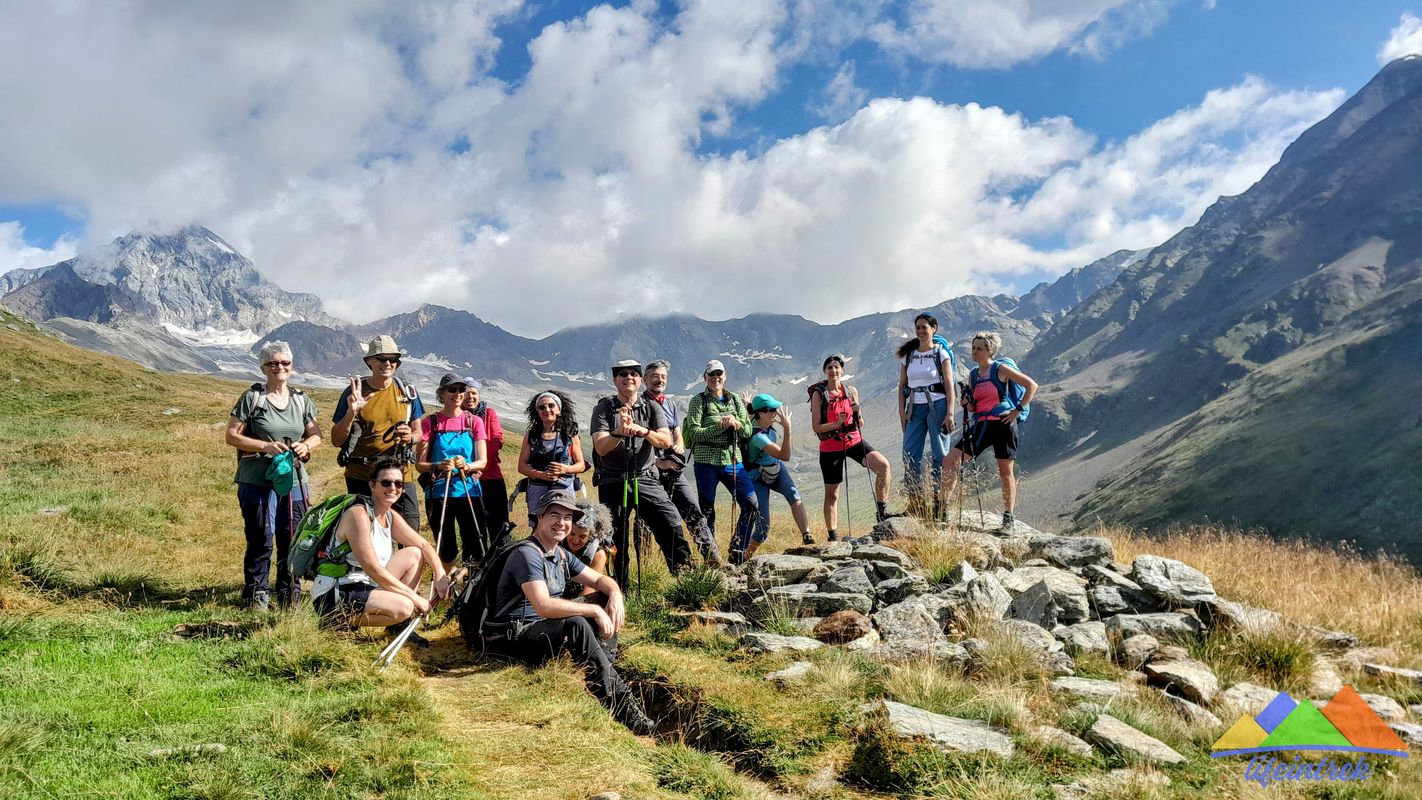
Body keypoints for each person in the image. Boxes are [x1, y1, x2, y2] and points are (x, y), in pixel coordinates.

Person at [482, 489, 656, 735]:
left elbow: (599, 580)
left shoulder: (559, 553)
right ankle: (620, 704)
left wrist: (615, 595)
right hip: (512, 637)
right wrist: (593, 610)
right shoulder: (527, 554)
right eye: (554, 515)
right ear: (539, 517)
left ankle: (607, 667)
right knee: (576, 620)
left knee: (604, 595)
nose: (562, 523)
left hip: (539, 629)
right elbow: (544, 605)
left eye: (567, 518)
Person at [225, 340, 322, 610]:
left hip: (293, 480)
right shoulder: (252, 398)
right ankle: (257, 591)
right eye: (273, 363)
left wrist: (306, 445)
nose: (279, 367)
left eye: (285, 363)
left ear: (292, 367)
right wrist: (264, 446)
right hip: (257, 479)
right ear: (263, 367)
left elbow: (316, 435)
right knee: (261, 535)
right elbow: (231, 436)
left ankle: (288, 591)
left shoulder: (301, 400)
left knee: (291, 536)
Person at [311, 458, 449, 640]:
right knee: (405, 606)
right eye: (386, 482)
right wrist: (414, 598)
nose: (393, 488)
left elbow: (423, 545)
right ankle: (336, 620)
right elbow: (373, 569)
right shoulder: (358, 515)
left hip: (365, 584)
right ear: (372, 485)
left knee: (414, 553)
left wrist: (440, 574)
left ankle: (398, 627)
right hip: (337, 589)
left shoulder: (390, 516)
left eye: (398, 483)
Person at [590, 359, 694, 586]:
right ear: (614, 379)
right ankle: (619, 589)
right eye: (622, 374)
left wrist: (641, 430)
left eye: (633, 374)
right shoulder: (604, 408)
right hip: (612, 481)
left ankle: (688, 580)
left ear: (640, 380)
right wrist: (619, 432)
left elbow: (665, 440)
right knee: (615, 536)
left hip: (645, 478)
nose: (628, 377)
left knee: (670, 522)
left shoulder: (651, 407)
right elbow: (601, 446)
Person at [941, 332, 1039, 532]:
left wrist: (1016, 411)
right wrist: (968, 404)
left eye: (980, 348)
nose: (975, 352)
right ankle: (943, 509)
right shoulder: (973, 374)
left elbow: (1032, 386)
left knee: (1005, 472)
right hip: (982, 425)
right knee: (950, 460)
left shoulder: (1000, 369)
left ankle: (1008, 517)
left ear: (990, 351)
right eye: (974, 348)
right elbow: (972, 408)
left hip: (1003, 425)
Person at [331, 335, 425, 530]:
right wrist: (351, 413)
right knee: (365, 532)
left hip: (400, 474)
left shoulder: (406, 391)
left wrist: (410, 437)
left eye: (393, 359)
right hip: (362, 474)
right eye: (382, 359)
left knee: (409, 529)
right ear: (369, 362)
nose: (388, 363)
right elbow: (336, 439)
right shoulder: (353, 392)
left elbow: (419, 432)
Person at [642, 359, 720, 566]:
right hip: (650, 471)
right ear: (645, 379)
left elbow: (677, 431)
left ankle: (712, 557)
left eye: (663, 377)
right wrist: (657, 462)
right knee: (647, 520)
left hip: (674, 469)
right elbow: (640, 441)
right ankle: (647, 564)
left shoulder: (669, 403)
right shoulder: (640, 406)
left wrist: (678, 445)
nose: (660, 380)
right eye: (655, 376)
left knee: (693, 510)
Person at [683, 360, 758, 564]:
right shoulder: (698, 401)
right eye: (711, 374)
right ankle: (711, 557)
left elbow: (748, 430)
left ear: (725, 376)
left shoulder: (734, 399)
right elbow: (694, 433)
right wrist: (721, 425)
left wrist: (736, 424)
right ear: (705, 377)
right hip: (706, 462)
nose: (716, 378)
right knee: (707, 510)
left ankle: (737, 551)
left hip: (732, 461)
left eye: (719, 374)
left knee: (751, 504)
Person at [810, 354, 892, 539]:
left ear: (842, 370)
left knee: (883, 466)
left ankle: (881, 511)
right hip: (830, 446)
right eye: (830, 368)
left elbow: (860, 423)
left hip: (853, 440)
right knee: (832, 494)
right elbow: (816, 427)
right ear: (825, 371)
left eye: (836, 367)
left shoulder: (851, 391)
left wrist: (858, 414)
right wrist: (836, 424)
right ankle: (833, 536)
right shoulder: (819, 394)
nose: (833, 371)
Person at [416, 374, 489, 568]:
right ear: (441, 394)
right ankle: (445, 589)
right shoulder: (430, 423)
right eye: (452, 390)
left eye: (460, 390)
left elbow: (482, 462)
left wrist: (467, 465)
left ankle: (471, 589)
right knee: (445, 548)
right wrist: (438, 465)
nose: (457, 394)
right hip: (439, 491)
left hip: (469, 490)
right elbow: (419, 465)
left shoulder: (474, 422)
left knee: (477, 546)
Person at [896, 313, 958, 519]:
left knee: (940, 454)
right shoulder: (909, 355)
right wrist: (901, 412)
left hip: (938, 406)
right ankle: (916, 503)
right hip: (914, 407)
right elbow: (902, 385)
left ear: (934, 329)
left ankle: (940, 503)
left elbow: (949, 385)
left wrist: (950, 412)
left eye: (925, 327)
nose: (921, 331)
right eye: (918, 328)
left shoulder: (941, 353)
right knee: (910, 455)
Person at [746, 394, 813, 556]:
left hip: (775, 467)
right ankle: (744, 556)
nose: (776, 412)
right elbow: (785, 455)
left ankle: (807, 536)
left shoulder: (763, 421)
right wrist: (788, 430)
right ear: (761, 413)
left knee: (794, 496)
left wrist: (748, 404)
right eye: (772, 410)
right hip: (757, 476)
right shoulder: (757, 437)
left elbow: (750, 413)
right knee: (763, 527)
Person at [516, 389, 586, 528]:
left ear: (559, 409)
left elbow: (581, 465)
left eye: (551, 406)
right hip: (537, 486)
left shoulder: (570, 434)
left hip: (563, 485)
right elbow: (522, 466)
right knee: (538, 525)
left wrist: (565, 468)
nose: (546, 409)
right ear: (537, 412)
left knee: (562, 525)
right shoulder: (531, 436)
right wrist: (541, 475)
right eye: (541, 407)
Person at [462, 381, 510, 545]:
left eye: (474, 393)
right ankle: (476, 565)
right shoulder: (457, 418)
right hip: (467, 480)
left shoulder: (489, 414)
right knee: (474, 528)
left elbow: (497, 439)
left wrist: (481, 463)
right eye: (467, 393)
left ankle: (502, 563)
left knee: (500, 526)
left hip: (491, 477)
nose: (471, 397)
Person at [560, 498, 614, 599]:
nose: (575, 541)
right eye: (572, 534)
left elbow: (589, 589)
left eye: (582, 536)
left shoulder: (597, 554)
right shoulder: (557, 544)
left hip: (579, 598)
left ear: (591, 536)